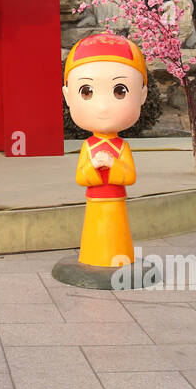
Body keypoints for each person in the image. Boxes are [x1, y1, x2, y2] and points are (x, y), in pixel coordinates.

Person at [55, 32, 154, 289]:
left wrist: (113, 165)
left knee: (117, 235)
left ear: (142, 94)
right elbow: (81, 177)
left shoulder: (121, 146)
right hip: (96, 200)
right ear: (68, 96)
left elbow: (129, 176)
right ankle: (92, 257)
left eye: (119, 91)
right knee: (95, 236)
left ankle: (117, 259)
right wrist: (93, 166)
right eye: (86, 91)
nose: (103, 107)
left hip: (116, 199)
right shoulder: (89, 146)